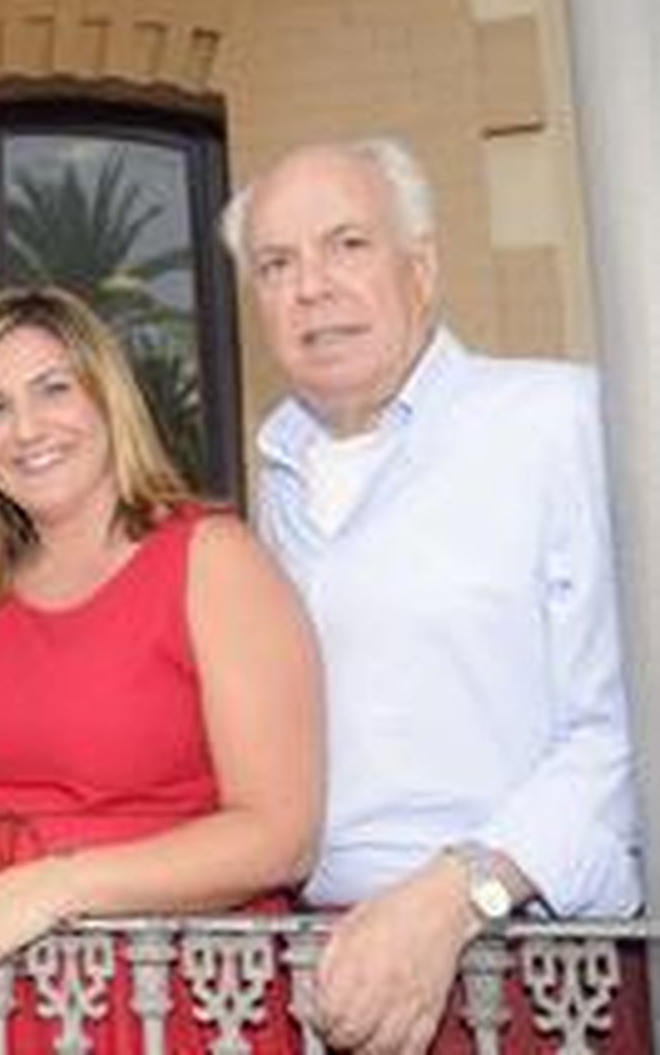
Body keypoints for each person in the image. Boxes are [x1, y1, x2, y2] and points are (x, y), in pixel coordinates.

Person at [223, 137, 644, 1054]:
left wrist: (460, 895)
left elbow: (624, 729)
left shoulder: (561, 423)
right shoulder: (274, 476)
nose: (312, 287)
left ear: (423, 266)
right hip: (317, 973)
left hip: (531, 971)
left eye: (348, 245)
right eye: (276, 264)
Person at [0, 286, 322, 1053]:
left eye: (54, 388)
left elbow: (280, 836)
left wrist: (59, 885)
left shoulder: (213, 561)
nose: (27, 429)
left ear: (108, 398)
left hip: (177, 1001)